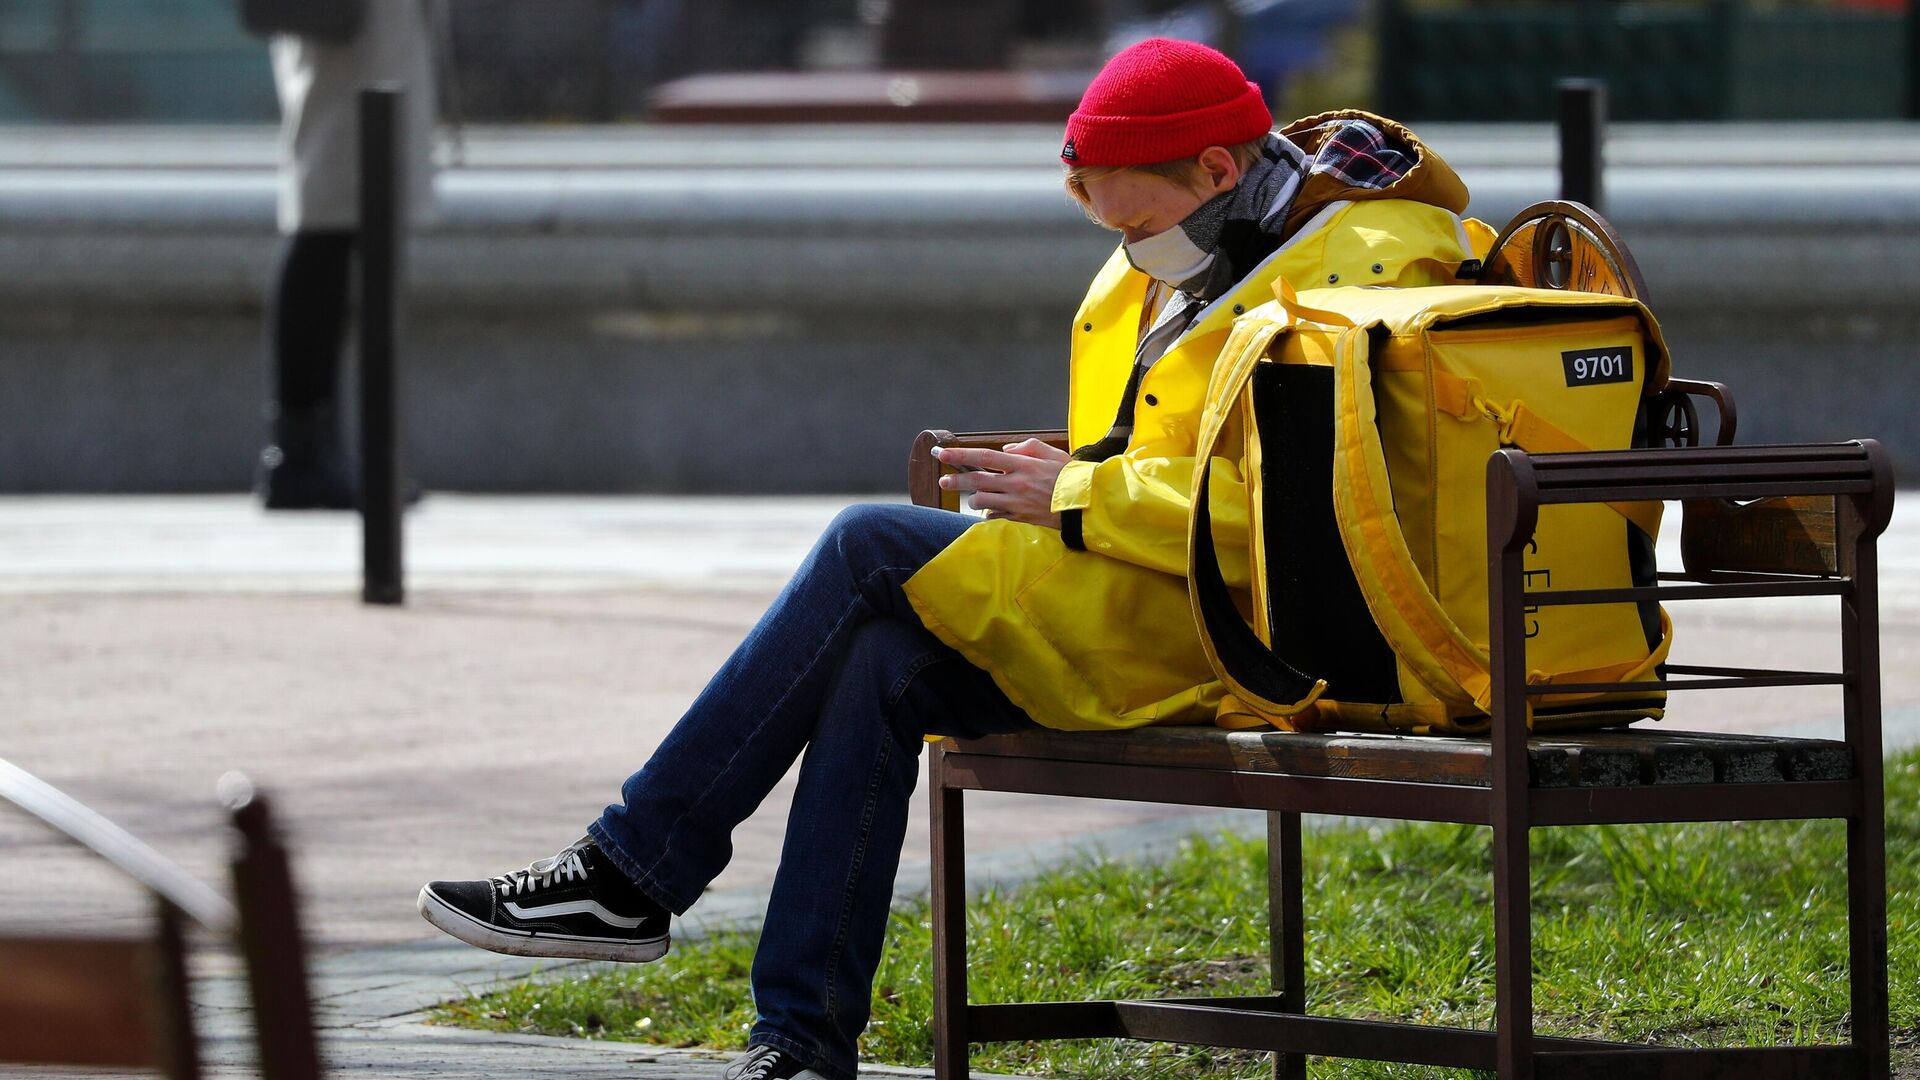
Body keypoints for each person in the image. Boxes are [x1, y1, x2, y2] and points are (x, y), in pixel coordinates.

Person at [417, 37, 1485, 1080]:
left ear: (1216, 169)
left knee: (865, 541)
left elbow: (1317, 520)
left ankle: (629, 873)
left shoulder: (1365, 267)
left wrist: (1078, 492)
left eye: (1143, 225)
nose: (1133, 253)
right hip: (1149, 600)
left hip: (1253, 641)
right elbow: (1193, 448)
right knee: (880, 656)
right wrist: (1085, 463)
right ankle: (797, 1043)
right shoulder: (1209, 238)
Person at [258, 0, 440, 509]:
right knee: (328, 216)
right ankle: (299, 450)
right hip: (350, 30)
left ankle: (319, 447)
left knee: (350, 219)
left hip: (369, 29)